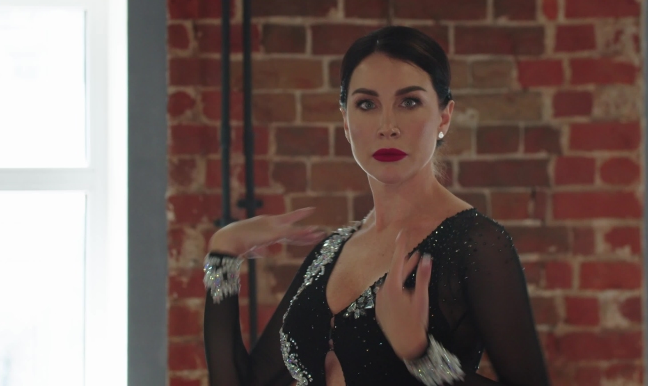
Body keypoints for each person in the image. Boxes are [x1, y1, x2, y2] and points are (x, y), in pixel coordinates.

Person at [201, 26, 551, 385]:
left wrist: (420, 353)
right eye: (367, 104)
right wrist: (223, 255)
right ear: (346, 122)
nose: (387, 126)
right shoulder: (331, 251)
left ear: (444, 116)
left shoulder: (476, 244)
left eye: (409, 102)